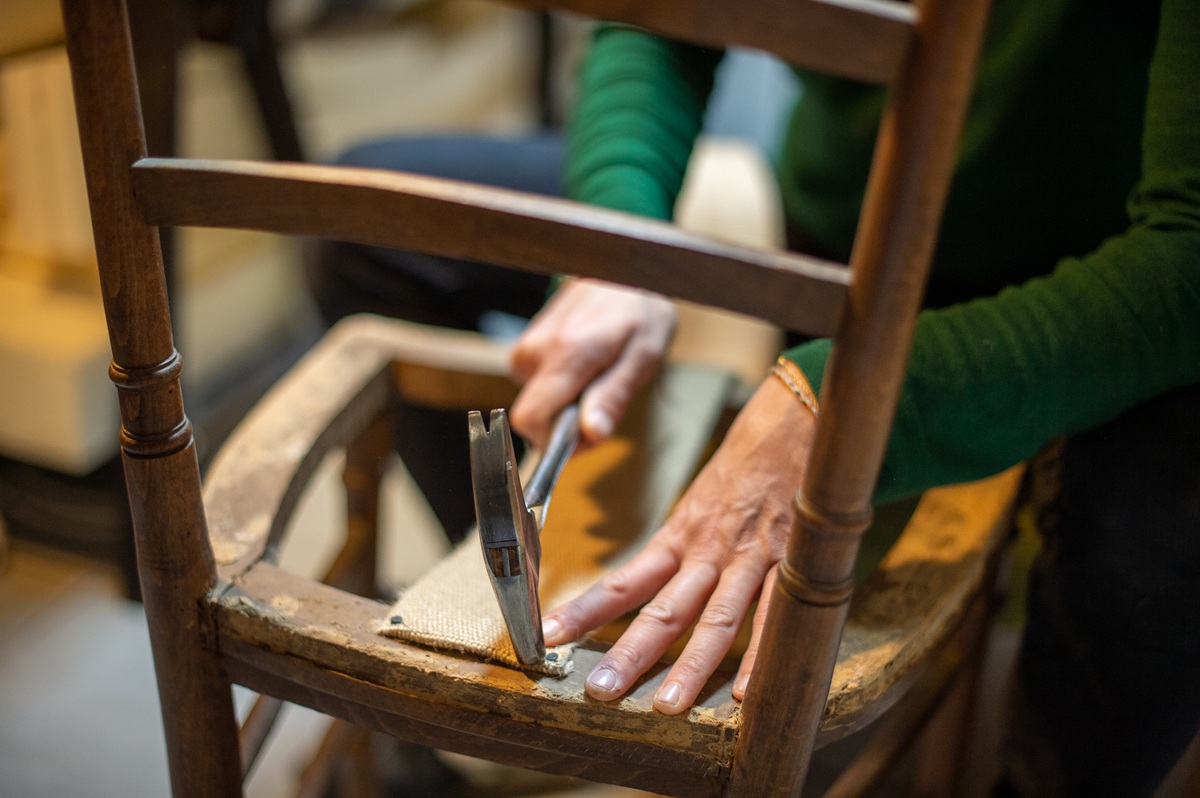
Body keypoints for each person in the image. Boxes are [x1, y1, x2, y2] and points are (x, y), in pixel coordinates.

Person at [310, 1, 1199, 793]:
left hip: (1103, 279)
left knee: (1153, 533)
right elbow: (658, 21)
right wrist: (618, 246)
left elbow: (1187, 254)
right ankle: (516, 646)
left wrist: (837, 404)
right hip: (838, 230)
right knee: (367, 228)